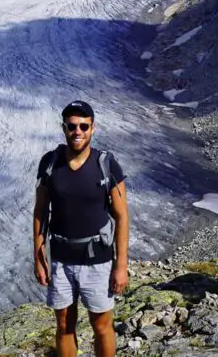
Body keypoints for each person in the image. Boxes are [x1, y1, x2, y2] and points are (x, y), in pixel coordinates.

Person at [33, 100, 129, 357]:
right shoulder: (50, 164)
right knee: (64, 325)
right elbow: (40, 211)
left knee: (102, 326)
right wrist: (38, 257)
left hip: (97, 260)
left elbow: (122, 217)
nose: (78, 131)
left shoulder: (106, 165)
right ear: (64, 128)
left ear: (92, 128)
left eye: (84, 126)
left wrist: (120, 266)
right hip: (61, 261)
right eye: (72, 126)